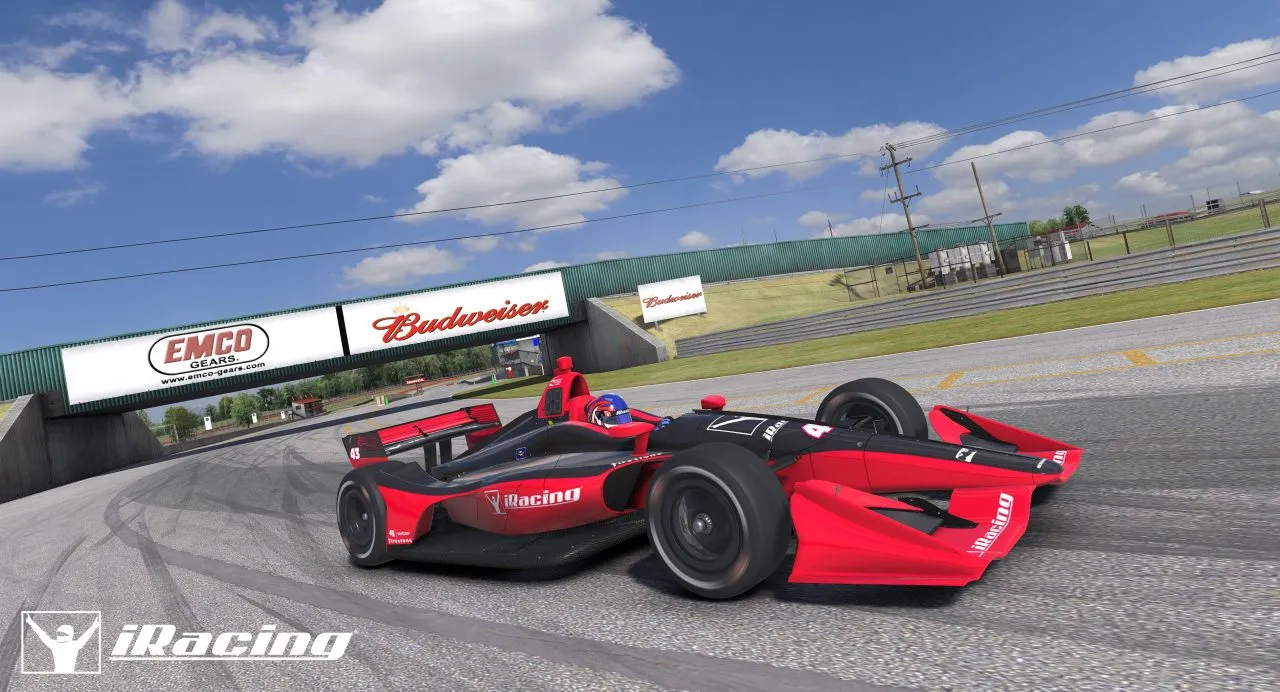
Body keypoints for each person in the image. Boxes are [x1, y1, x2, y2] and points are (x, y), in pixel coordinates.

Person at [25, 614, 99, 674]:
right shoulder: (75, 645)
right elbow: (86, 636)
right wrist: (94, 626)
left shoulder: (54, 644)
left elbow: (42, 634)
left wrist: (31, 622)